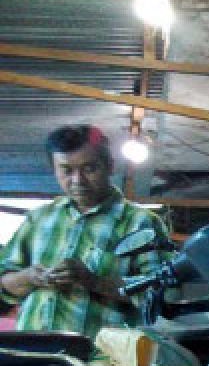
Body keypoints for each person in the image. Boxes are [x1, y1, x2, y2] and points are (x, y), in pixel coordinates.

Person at [0, 125, 170, 338]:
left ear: (110, 166)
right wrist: (30, 277)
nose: (77, 180)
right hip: (33, 357)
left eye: (89, 169)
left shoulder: (141, 223)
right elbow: (4, 286)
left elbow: (163, 295)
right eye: (66, 170)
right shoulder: (38, 219)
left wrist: (94, 281)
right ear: (54, 169)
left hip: (101, 363)